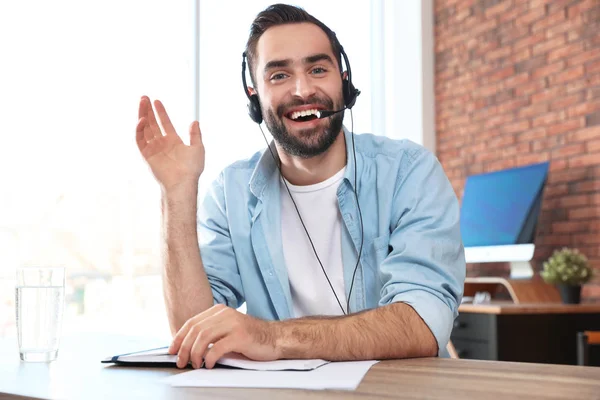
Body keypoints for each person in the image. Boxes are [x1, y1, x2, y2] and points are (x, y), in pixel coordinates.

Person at [135, 3, 465, 370]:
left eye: (318, 69)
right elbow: (195, 336)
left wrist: (270, 338)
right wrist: (176, 195)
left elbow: (423, 322)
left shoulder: (409, 172)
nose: (302, 89)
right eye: (278, 76)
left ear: (344, 79)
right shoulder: (231, 194)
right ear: (254, 95)